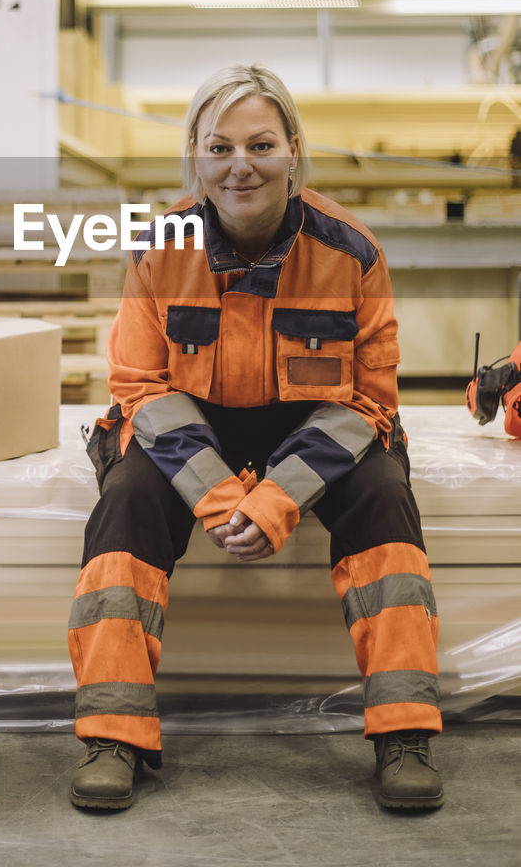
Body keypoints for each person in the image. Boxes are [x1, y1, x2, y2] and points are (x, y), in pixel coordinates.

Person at [67, 63, 442, 813]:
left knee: (383, 500)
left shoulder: (352, 254)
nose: (241, 164)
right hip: (190, 421)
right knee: (126, 503)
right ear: (197, 159)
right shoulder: (156, 250)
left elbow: (367, 400)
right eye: (220, 146)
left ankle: (403, 734)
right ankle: (113, 736)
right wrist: (216, 496)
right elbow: (141, 388)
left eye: (261, 144)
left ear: (294, 151)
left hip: (316, 423)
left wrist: (276, 497)